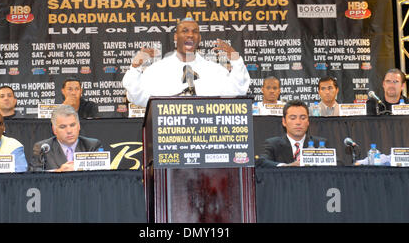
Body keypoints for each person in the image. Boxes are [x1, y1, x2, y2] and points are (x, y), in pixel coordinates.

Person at [122, 17, 251, 107]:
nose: (190, 35)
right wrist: (135, 68)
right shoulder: (157, 70)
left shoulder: (215, 71)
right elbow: (137, 97)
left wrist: (236, 60)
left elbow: (237, 91)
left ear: (199, 38)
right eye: (185, 31)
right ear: (175, 37)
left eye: (195, 32)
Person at [29, 104, 103, 172]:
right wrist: (58, 172)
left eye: (72, 125)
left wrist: (79, 168)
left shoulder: (92, 146)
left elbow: (101, 172)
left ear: (79, 126)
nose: (69, 131)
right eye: (63, 127)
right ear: (54, 130)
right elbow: (33, 174)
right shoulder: (43, 148)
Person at [257, 100, 328, 167]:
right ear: (284, 122)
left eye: (303, 118)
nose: (298, 122)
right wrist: (286, 166)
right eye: (293, 118)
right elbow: (261, 161)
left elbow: (337, 163)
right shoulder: (273, 144)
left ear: (308, 121)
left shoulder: (320, 144)